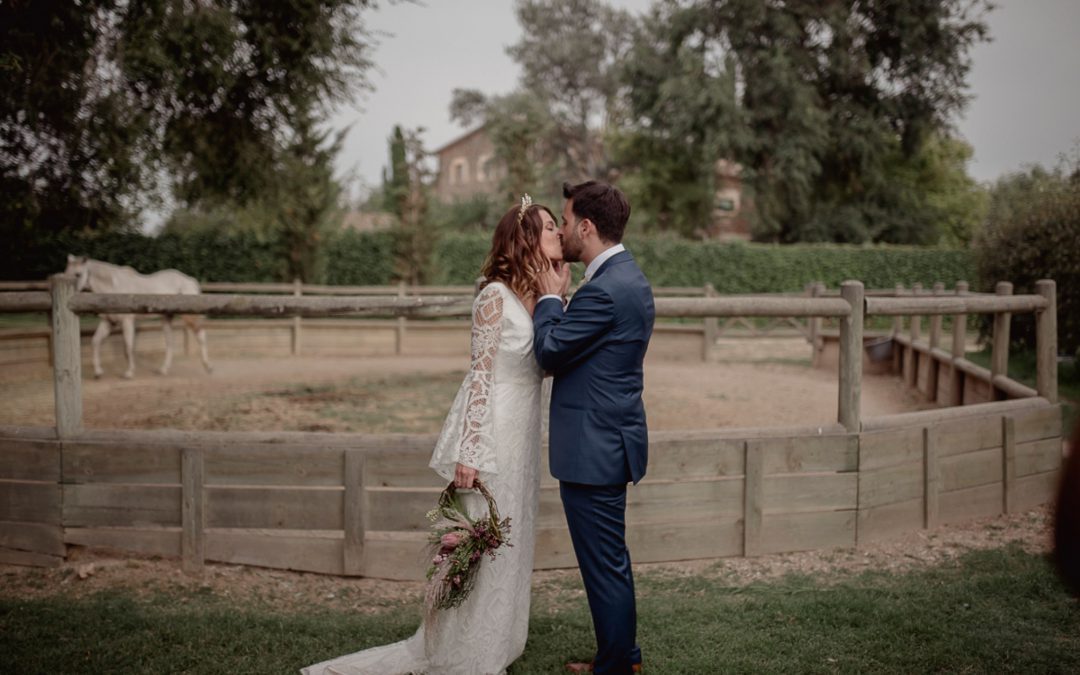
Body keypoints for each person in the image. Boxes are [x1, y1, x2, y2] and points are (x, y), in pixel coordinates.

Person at [302, 197, 563, 675]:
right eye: (549, 228)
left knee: (512, 539)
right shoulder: (493, 297)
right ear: (525, 238)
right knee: (484, 537)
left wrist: (556, 298)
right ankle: (464, 652)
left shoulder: (546, 297)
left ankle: (496, 641)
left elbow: (547, 363)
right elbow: (479, 376)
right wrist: (469, 450)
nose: (558, 235)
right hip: (495, 432)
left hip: (527, 433)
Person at [533, 181, 655, 674]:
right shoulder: (627, 278)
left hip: (594, 450)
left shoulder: (604, 290)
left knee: (604, 567)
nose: (561, 230)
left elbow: (549, 352)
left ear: (586, 226)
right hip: (608, 442)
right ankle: (619, 658)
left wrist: (548, 299)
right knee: (607, 563)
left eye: (564, 221)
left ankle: (619, 666)